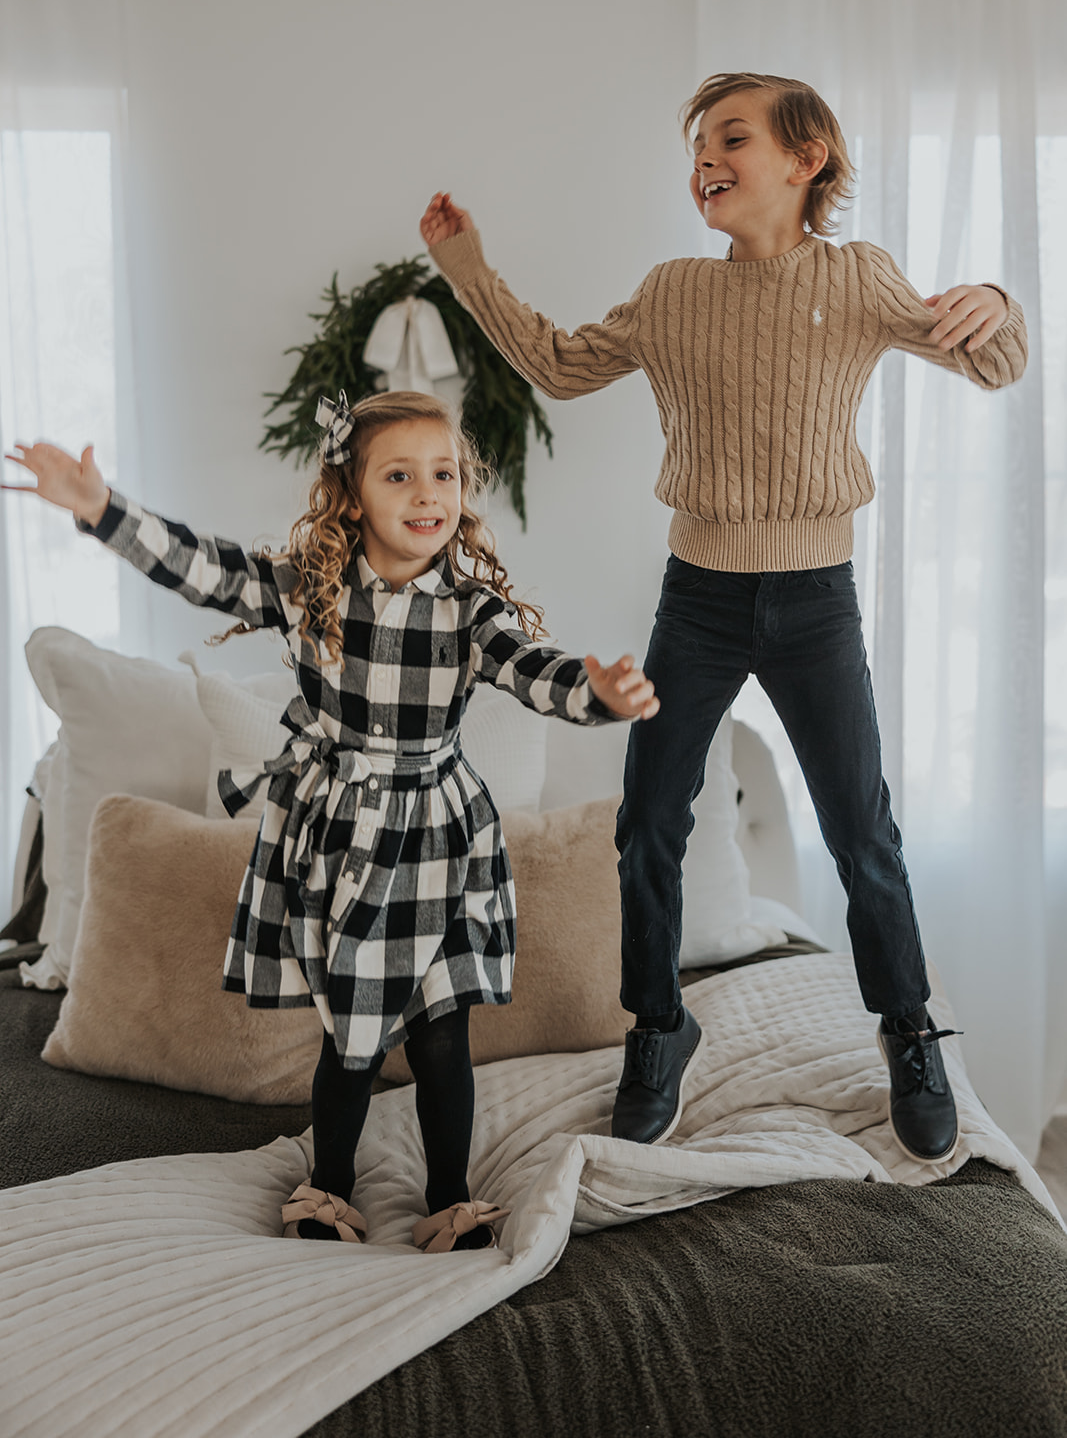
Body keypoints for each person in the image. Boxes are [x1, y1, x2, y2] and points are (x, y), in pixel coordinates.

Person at [420, 70, 1028, 1165]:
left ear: (805, 162)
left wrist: (995, 299)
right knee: (646, 820)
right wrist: (464, 266)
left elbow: (992, 363)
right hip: (696, 601)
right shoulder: (671, 293)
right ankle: (658, 1025)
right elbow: (557, 367)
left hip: (815, 602)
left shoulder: (856, 279)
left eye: (730, 138)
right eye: (697, 142)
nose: (705, 157)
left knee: (862, 835)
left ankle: (906, 1030)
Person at [5, 389, 659, 1251]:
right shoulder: (308, 587)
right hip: (344, 836)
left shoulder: (470, 610)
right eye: (400, 475)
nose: (429, 494)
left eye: (445, 473)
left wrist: (596, 694)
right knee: (351, 1036)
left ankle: (451, 1196)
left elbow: (536, 670)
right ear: (351, 494)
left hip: (439, 837)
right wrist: (100, 507)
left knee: (440, 1037)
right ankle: (329, 1188)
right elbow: (206, 568)